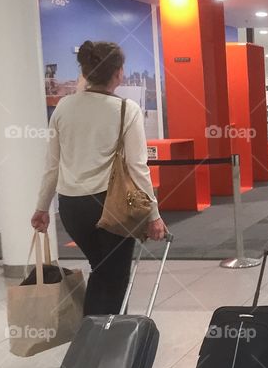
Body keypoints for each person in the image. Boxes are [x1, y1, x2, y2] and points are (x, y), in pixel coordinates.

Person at [31, 41, 167, 318]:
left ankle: (109, 338)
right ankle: (97, 347)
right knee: (113, 277)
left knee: (104, 270)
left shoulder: (64, 107)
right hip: (111, 205)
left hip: (71, 208)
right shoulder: (125, 110)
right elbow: (137, 166)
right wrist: (153, 213)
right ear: (118, 73)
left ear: (85, 71)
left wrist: (42, 206)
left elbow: (51, 165)